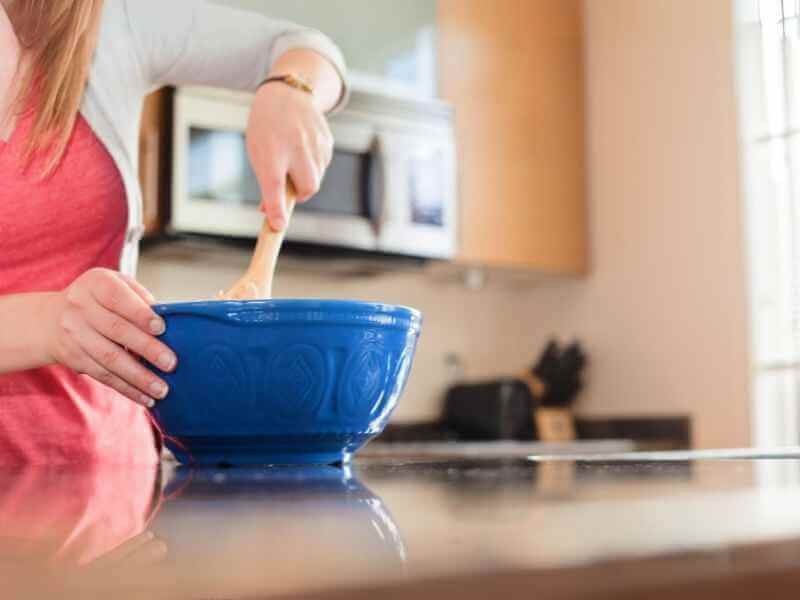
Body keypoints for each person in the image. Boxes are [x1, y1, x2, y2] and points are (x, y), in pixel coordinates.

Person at [0, 0, 348, 464]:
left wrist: (291, 89)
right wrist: (50, 323)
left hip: (110, 480)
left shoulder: (108, 19)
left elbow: (306, 48)